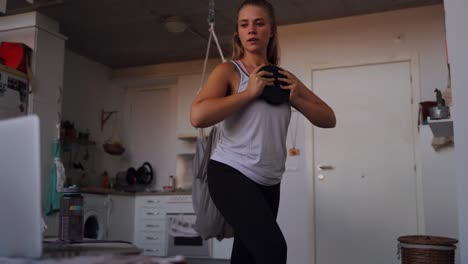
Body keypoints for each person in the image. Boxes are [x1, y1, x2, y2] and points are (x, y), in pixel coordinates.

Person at [190, 0, 336, 263]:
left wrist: (296, 99)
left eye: (259, 23)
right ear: (238, 32)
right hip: (230, 172)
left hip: (269, 182)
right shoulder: (229, 72)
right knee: (274, 251)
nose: (252, 30)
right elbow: (198, 116)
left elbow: (328, 118)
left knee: (247, 255)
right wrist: (249, 93)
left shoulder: (284, 78)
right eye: (244, 25)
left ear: (272, 30)